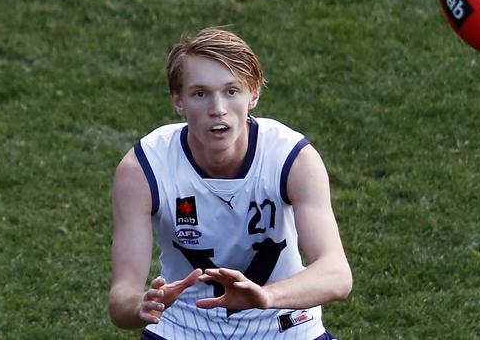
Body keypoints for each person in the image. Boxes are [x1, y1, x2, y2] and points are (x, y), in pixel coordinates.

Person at [108, 27, 352, 340]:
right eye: (200, 94)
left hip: (283, 326)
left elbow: (336, 274)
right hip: (182, 328)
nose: (217, 109)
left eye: (231, 91)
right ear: (178, 100)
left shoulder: (292, 159)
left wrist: (266, 298)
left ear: (254, 94)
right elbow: (120, 298)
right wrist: (140, 305)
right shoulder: (142, 169)